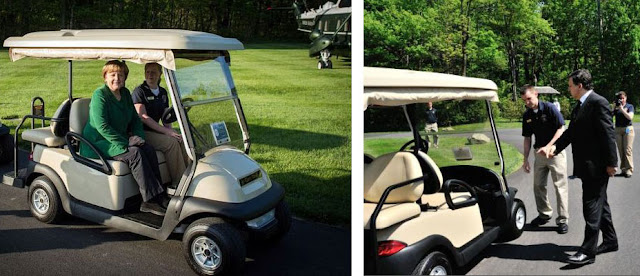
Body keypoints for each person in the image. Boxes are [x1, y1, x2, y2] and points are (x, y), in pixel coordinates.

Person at [538, 69, 618, 265]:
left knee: (590, 207)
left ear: (580, 86)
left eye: (570, 85)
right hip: (587, 166)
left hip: (597, 167)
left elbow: (608, 135)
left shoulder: (598, 103)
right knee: (601, 205)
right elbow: (570, 133)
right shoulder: (580, 106)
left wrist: (612, 163)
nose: (569, 89)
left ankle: (588, 252)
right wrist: (554, 148)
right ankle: (610, 240)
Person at [80, 60, 168, 216]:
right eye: (112, 75)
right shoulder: (100, 95)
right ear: (105, 77)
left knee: (147, 148)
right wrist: (127, 141)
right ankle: (149, 201)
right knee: (135, 153)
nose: (117, 78)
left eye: (120, 75)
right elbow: (102, 127)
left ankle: (159, 194)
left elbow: (135, 119)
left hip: (117, 139)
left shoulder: (126, 94)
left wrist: (138, 136)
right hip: (98, 142)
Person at [520, 85, 569, 234]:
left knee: (560, 186)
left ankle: (562, 220)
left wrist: (549, 146)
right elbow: (527, 138)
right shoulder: (527, 115)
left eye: (529, 98)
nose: (527, 102)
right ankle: (544, 214)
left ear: (536, 94)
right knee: (538, 186)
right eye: (524, 100)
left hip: (555, 153)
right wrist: (525, 159)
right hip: (539, 154)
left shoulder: (549, 108)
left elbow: (561, 128)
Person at [132, 63, 189, 187]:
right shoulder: (139, 91)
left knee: (181, 140)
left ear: (160, 74)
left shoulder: (162, 92)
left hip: (155, 130)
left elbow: (166, 117)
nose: (150, 75)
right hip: (142, 132)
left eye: (153, 72)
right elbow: (143, 117)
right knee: (171, 143)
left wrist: (172, 132)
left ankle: (190, 175)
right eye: (147, 72)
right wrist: (166, 132)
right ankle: (179, 183)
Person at [612, 91, 634, 178]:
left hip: (628, 129)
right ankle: (624, 169)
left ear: (626, 98)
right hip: (618, 129)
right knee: (621, 150)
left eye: (623, 98)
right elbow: (609, 116)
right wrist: (614, 108)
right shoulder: (616, 107)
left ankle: (629, 169)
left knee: (627, 149)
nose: (621, 100)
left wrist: (622, 109)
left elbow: (630, 117)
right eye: (619, 98)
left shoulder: (629, 106)